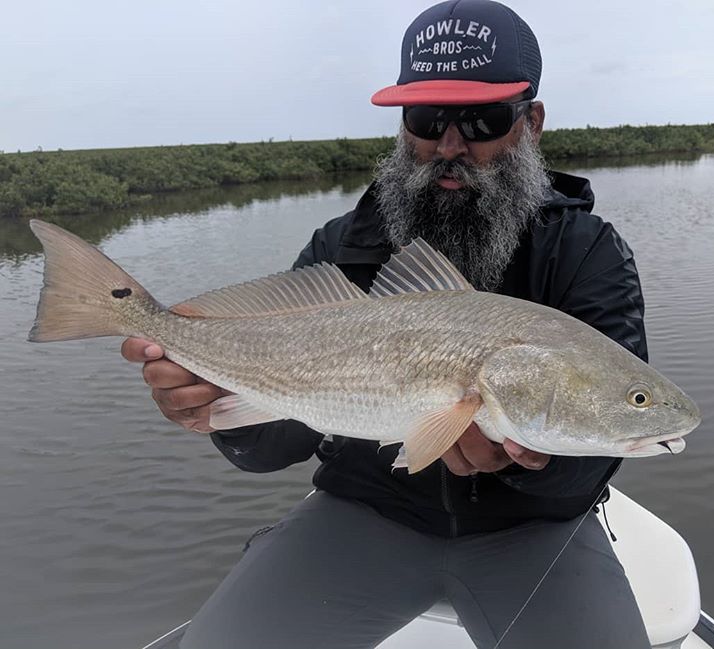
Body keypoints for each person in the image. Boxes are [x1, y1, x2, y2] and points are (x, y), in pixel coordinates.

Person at [122, 1, 652, 647]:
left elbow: (601, 442)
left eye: (482, 119)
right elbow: (269, 450)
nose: (449, 145)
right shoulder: (340, 244)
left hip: (538, 527)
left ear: (531, 122)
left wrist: (522, 464)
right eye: (426, 119)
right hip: (363, 511)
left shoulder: (585, 248)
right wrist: (208, 405)